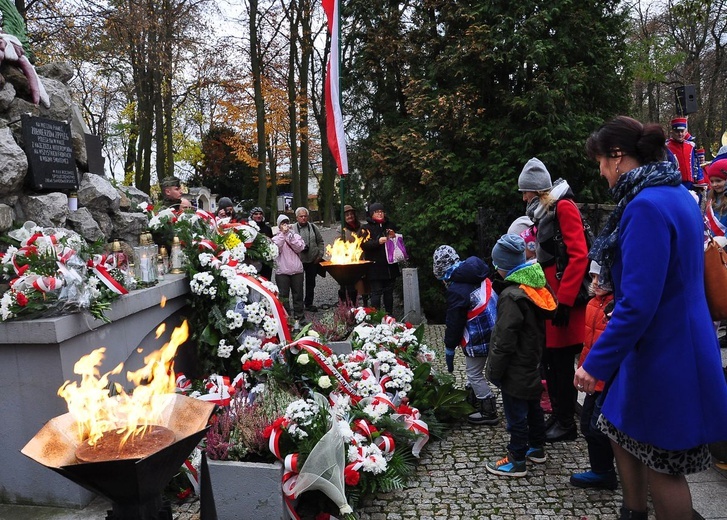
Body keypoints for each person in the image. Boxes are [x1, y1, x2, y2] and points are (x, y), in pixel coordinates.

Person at [575, 115, 727, 520]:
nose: (601, 171)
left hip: (665, 354)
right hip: (675, 344)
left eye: (601, 162)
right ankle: (632, 511)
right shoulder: (676, 192)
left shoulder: (644, 206)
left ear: (618, 156)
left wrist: (595, 362)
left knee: (665, 466)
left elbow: (640, 302)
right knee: (618, 429)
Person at [518, 157, 588, 442]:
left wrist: (566, 301)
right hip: (553, 300)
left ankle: (565, 423)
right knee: (551, 363)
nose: (523, 197)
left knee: (559, 364)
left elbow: (579, 255)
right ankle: (559, 416)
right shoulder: (545, 212)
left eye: (525, 192)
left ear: (537, 191)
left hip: (564, 303)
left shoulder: (564, 208)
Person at [485, 234, 557, 477]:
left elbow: (504, 339)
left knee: (516, 412)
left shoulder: (511, 296)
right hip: (533, 359)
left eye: (497, 265)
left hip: (515, 365)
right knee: (533, 404)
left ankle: (516, 458)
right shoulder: (535, 286)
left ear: (504, 266)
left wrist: (494, 371)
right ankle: (536, 448)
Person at [433, 245, 499, 425]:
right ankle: (473, 399)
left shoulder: (457, 289)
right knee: (475, 371)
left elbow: (455, 322)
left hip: (479, 336)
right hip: (494, 328)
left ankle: (488, 409)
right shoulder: (474, 272)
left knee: (474, 373)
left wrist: (449, 346)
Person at [570, 261, 617, 491]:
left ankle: (605, 471)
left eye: (601, 277)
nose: (596, 282)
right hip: (593, 377)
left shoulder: (614, 307)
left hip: (607, 379)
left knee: (598, 428)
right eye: (593, 277)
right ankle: (601, 469)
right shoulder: (592, 304)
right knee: (588, 425)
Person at [361, 202, 400, 315]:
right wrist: (377, 242)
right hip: (375, 267)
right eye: (376, 212)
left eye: (381, 211)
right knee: (376, 293)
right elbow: (363, 245)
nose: (379, 214)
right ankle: (375, 317)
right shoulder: (366, 228)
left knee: (389, 293)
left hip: (390, 266)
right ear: (371, 214)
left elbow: (398, 240)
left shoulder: (390, 225)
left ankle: (389, 315)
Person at [272, 214, 306, 324]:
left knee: (298, 295)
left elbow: (300, 247)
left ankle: (300, 317)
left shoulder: (295, 236)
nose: (285, 225)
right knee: (284, 297)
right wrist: (283, 234)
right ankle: (287, 319)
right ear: (279, 225)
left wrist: (290, 236)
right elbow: (276, 249)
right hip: (282, 272)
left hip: (297, 271)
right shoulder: (276, 238)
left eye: (286, 222)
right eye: (282, 223)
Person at [292, 207, 324, 312]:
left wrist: (319, 255)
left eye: (305, 216)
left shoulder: (314, 227)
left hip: (312, 260)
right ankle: (298, 305)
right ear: (297, 217)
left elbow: (320, 241)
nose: (303, 218)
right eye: (301, 216)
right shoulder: (292, 229)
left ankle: (309, 303)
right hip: (298, 261)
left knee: (311, 283)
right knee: (297, 285)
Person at [665, 117, 703, 190]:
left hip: (691, 183)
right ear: (672, 132)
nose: (680, 134)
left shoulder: (691, 146)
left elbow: (696, 164)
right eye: (677, 131)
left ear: (686, 131)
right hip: (675, 184)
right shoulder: (666, 147)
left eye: (682, 131)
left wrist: (700, 180)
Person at [339, 204, 364, 305]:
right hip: (347, 261)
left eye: (351, 214)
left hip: (360, 259)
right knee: (346, 285)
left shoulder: (361, 227)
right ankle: (346, 305)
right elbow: (338, 244)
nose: (350, 216)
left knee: (361, 283)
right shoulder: (341, 229)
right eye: (347, 215)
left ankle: (361, 304)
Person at [250, 206, 274, 280]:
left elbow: (272, 242)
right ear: (252, 216)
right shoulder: (248, 228)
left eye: (260, 214)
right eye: (256, 214)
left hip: (266, 262)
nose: (258, 216)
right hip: (253, 261)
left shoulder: (267, 228)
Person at [704, 158, 727, 231]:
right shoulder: (710, 196)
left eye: (718, 181)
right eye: (711, 181)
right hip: (711, 239)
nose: (714, 184)